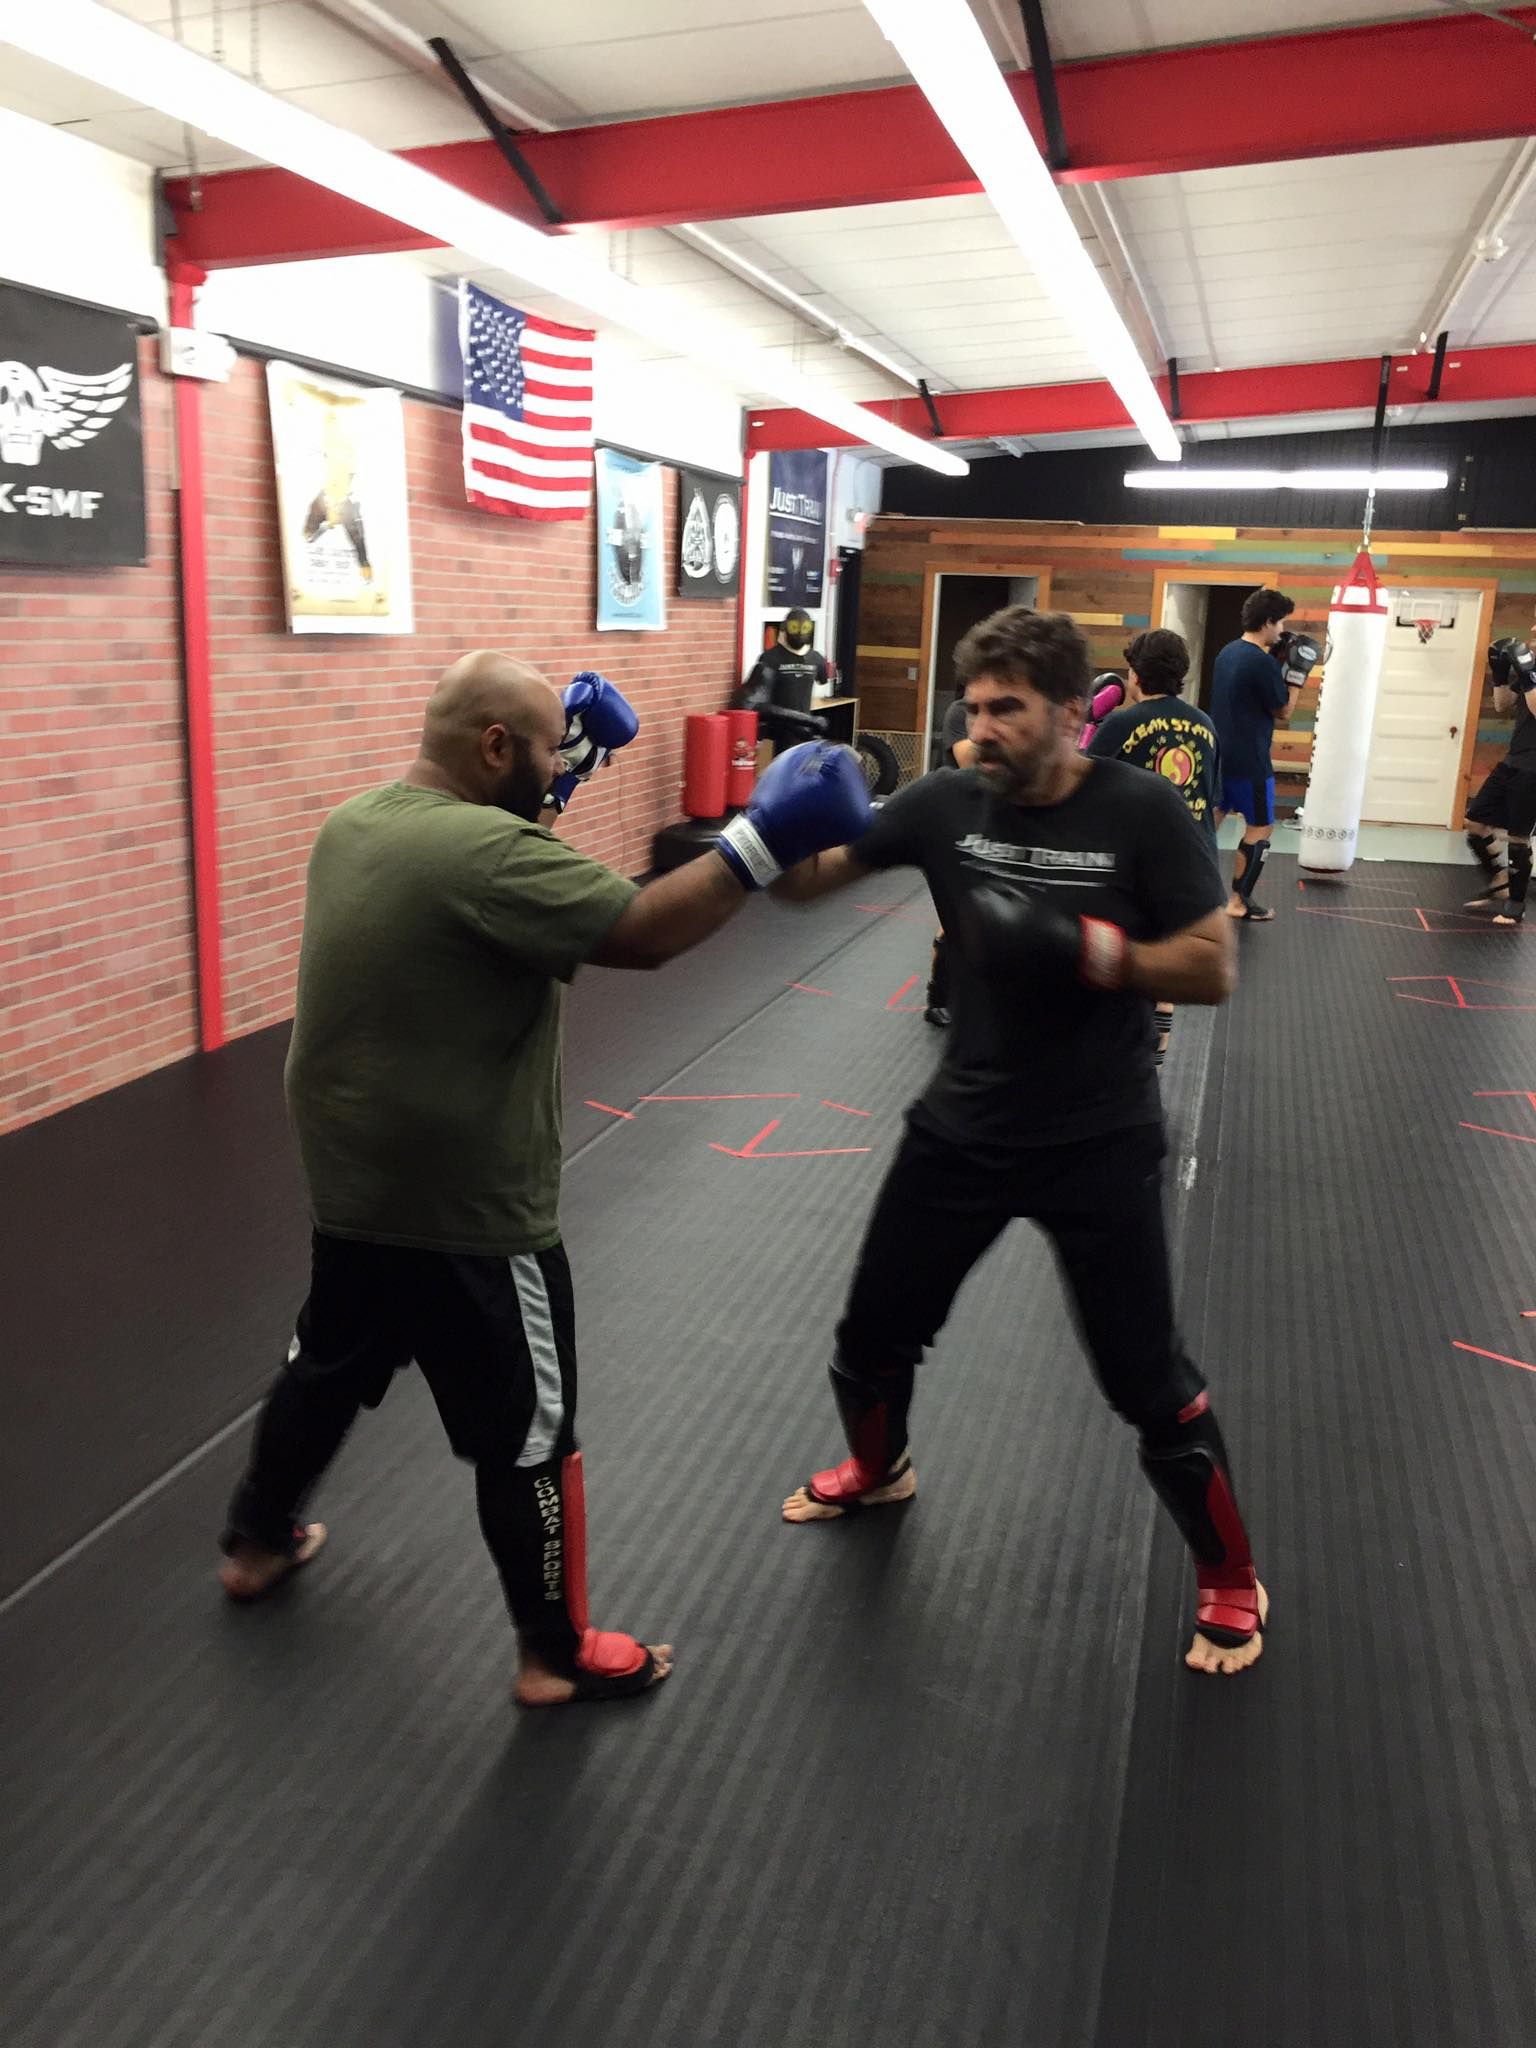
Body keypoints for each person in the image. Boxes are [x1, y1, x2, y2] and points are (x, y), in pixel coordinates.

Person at [216, 651, 870, 1708]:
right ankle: (553, 1652)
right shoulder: (485, 855)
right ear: (491, 748)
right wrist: (761, 835)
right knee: (529, 1431)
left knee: (325, 1363)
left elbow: (492, 879)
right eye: (544, 749)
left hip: (355, 1183)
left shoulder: (361, 823)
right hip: (472, 1206)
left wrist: (554, 791)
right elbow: (642, 931)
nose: (560, 761)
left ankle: (253, 1540)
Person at [770, 607, 1266, 1677]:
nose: (980, 727)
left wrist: (1093, 951)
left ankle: (1231, 1577)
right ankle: (880, 1467)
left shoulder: (1139, 812)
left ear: (1065, 713)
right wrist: (775, 822)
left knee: (1147, 1382)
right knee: (870, 1337)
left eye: (1007, 708)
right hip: (964, 1127)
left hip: (1099, 1137)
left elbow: (1212, 964)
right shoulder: (947, 801)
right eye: (975, 706)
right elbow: (811, 886)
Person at [1089, 628, 1221, 1063]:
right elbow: (1210, 797)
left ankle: (1120, 1042)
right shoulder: (1205, 725)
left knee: (1123, 949)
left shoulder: (1121, 722)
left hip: (1135, 857)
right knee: (1169, 949)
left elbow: (1083, 783)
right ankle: (1157, 1045)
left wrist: (1089, 726)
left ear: (1134, 674)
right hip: (1193, 853)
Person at [1209, 588, 1309, 922]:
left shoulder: (1227, 652)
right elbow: (1284, 711)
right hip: (1250, 760)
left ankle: (1187, 895)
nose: (1282, 631)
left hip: (1220, 754)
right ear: (1267, 622)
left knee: (1206, 826)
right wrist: (1296, 675)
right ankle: (1239, 901)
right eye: (1280, 623)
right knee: (1260, 828)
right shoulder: (1260, 661)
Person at [1465, 626, 1536, 925]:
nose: (1532, 629)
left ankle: (1516, 905)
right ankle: (1501, 882)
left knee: (1518, 836)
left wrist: (1528, 672)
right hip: (1513, 760)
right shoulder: (1531, 668)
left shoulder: (1532, 670)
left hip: (1534, 767)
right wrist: (1500, 670)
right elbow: (1502, 705)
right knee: (1475, 822)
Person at [924, 687, 980, 1027]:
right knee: (955, 914)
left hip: (989, 819)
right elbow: (967, 759)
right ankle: (938, 996)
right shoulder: (959, 712)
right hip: (955, 822)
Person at [734, 608, 832, 755]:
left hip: (805, 732)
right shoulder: (770, 658)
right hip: (779, 733)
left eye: (804, 628)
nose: (799, 633)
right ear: (785, 628)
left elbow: (822, 681)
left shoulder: (816, 659)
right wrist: (810, 720)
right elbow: (756, 705)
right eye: (794, 627)